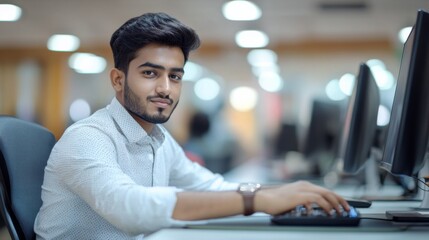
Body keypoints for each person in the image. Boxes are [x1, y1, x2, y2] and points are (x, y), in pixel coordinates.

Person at [34, 12, 349, 239]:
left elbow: (211, 186)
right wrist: (258, 200)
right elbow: (130, 208)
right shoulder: (87, 138)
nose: (166, 89)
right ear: (118, 79)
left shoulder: (158, 139)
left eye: (175, 76)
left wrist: (281, 192)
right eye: (150, 73)